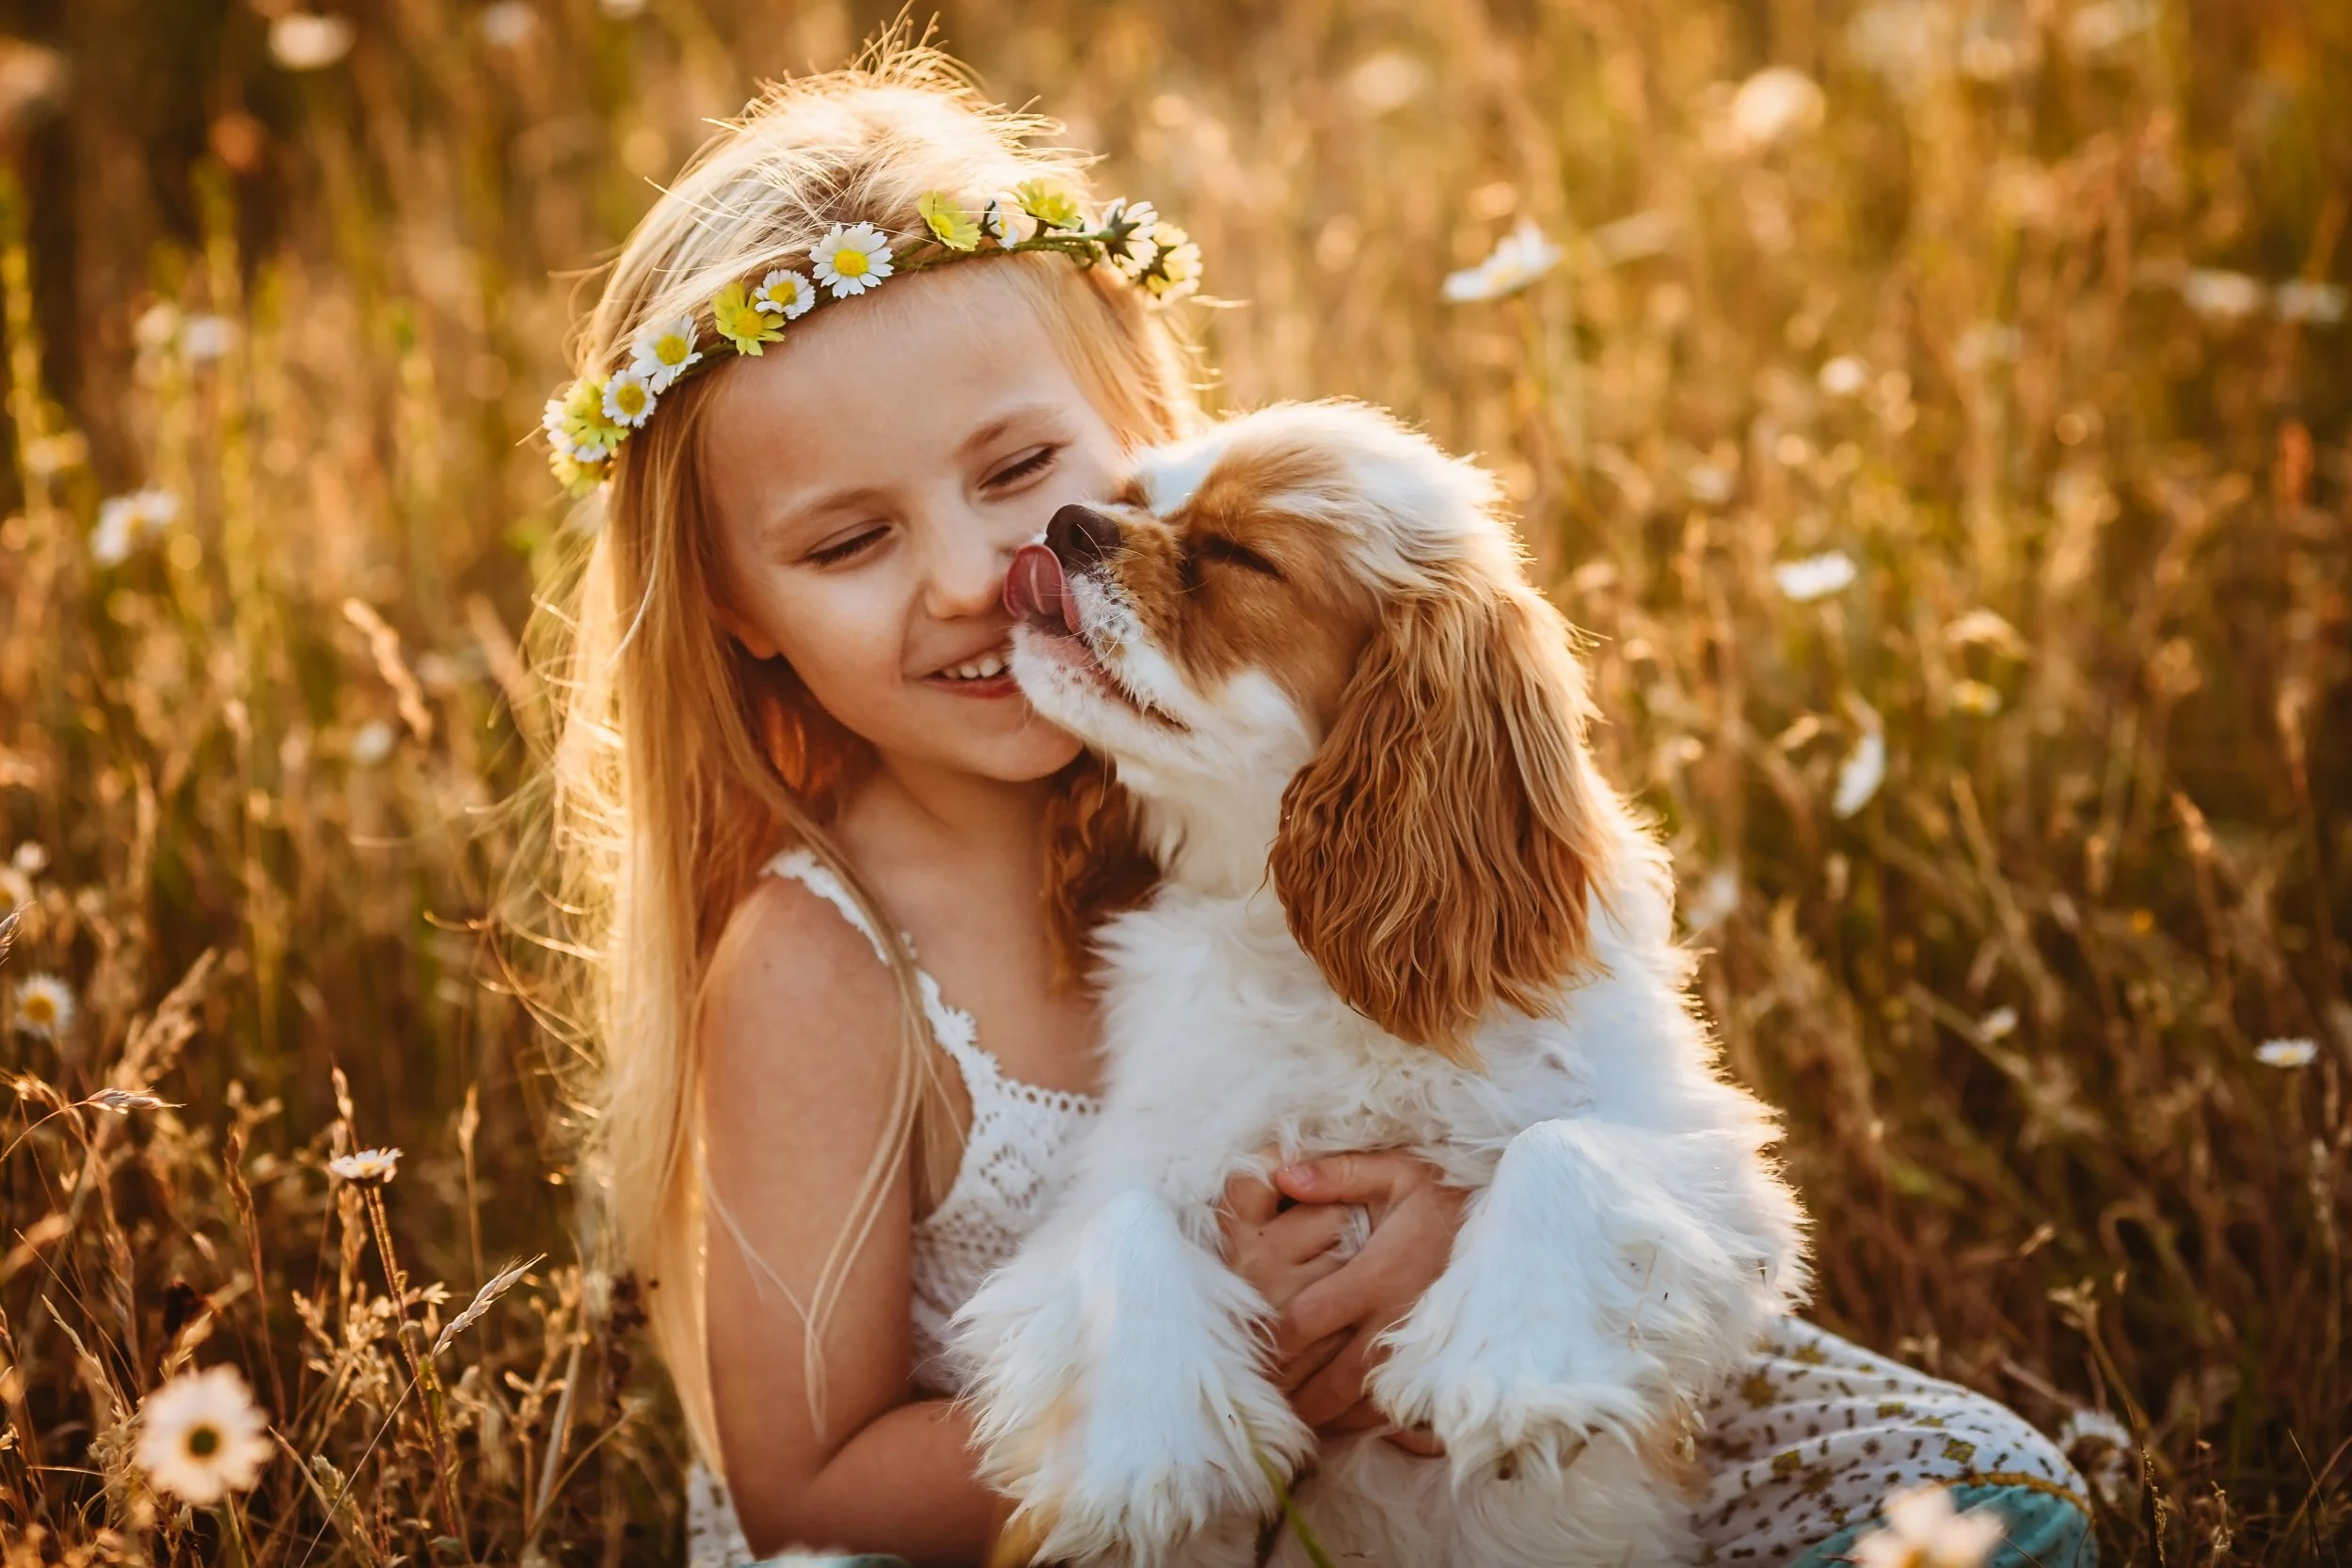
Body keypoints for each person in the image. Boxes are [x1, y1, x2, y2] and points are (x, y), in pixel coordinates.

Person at [526, 42, 2096, 1568]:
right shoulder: (819, 963)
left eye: (1018, 470)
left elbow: (1559, 1092)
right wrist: (1261, 1353)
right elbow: (806, 1490)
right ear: (729, 599)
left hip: (1488, 1407)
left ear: (1143, 431)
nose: (969, 578)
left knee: (1988, 1486)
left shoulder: (1269, 737)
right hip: (1057, 1518)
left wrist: (1461, 1238)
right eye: (848, 543)